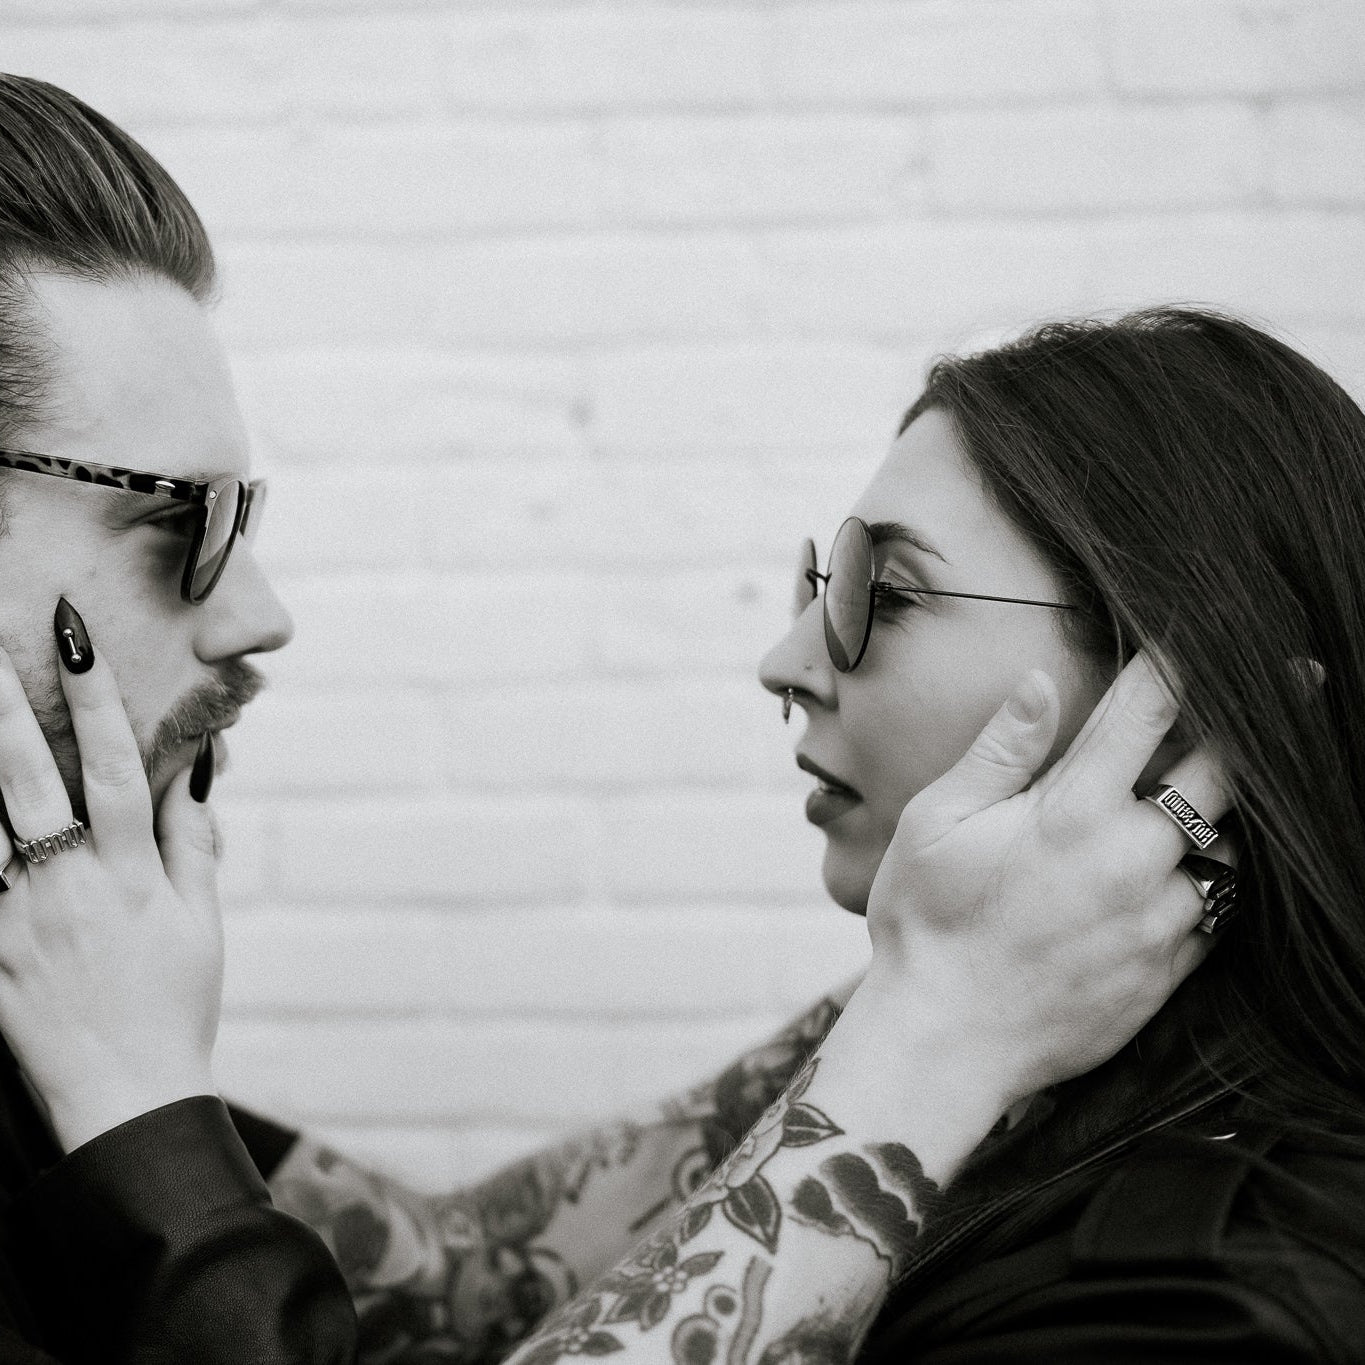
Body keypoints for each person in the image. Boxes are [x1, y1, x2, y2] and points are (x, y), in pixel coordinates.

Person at [0, 71, 1354, 1364]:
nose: (781, 657)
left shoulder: (1195, 1299)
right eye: (179, 517)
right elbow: (464, 1269)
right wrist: (115, 1080)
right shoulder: (967, 1026)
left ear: (1184, 717)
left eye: (885, 596)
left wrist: (948, 1019)